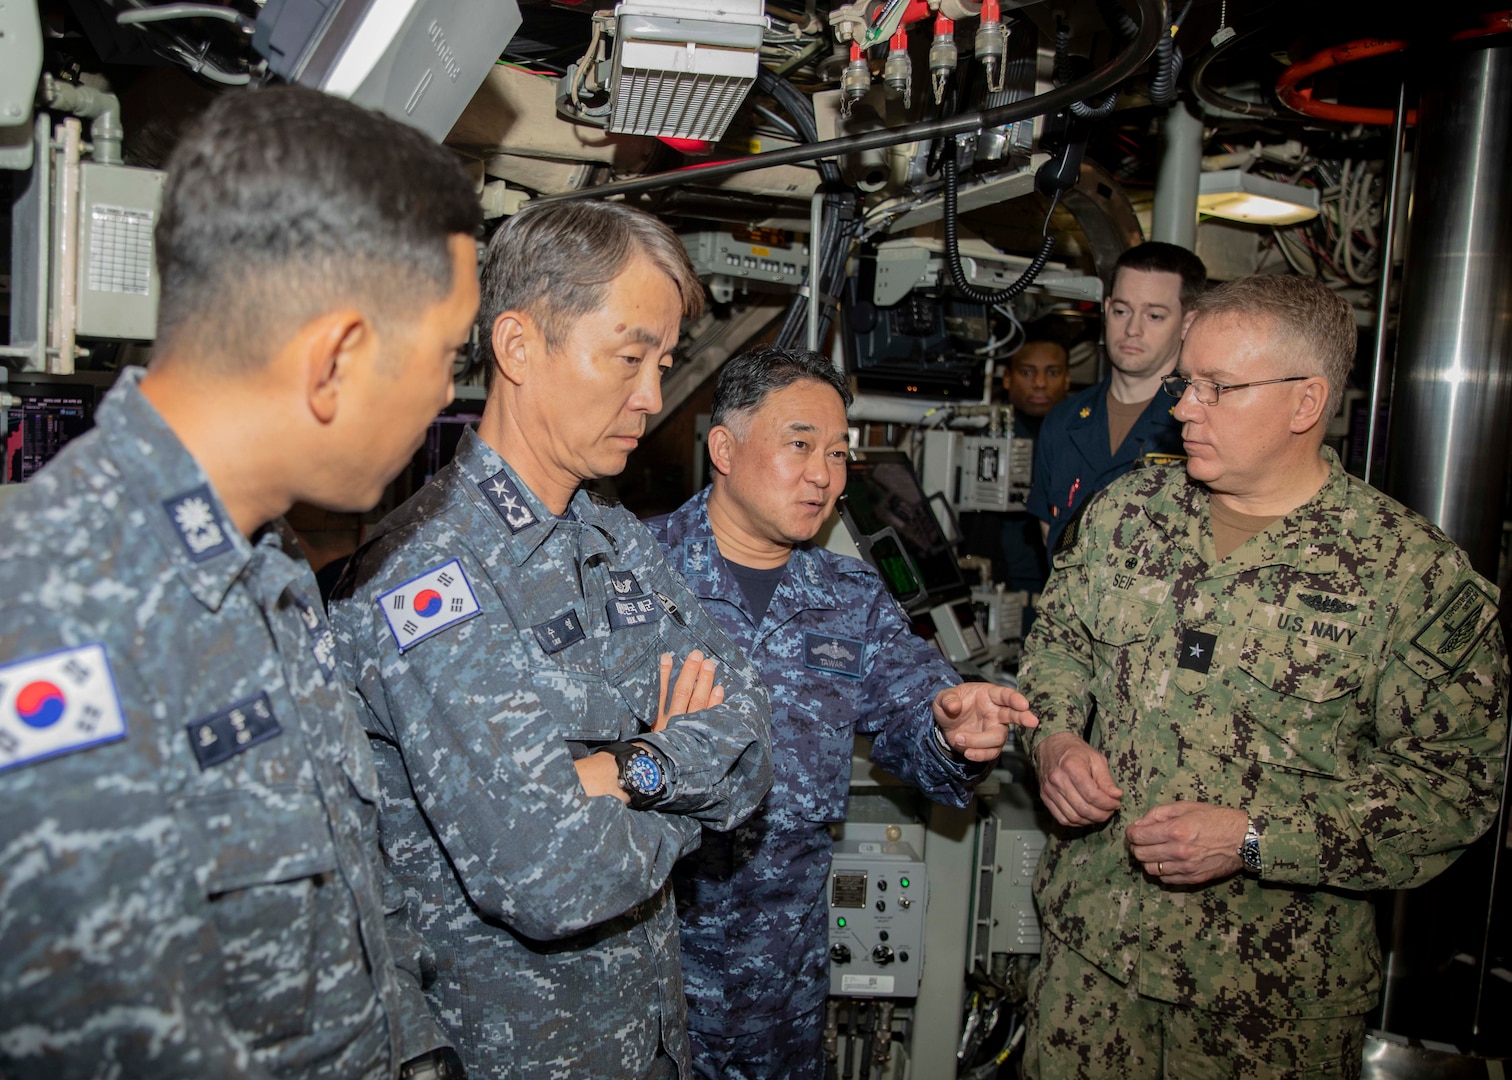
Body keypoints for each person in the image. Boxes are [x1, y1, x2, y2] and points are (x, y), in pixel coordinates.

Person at [0, 86, 481, 1077]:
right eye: (444, 355)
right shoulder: (51, 620)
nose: (447, 392)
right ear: (335, 358)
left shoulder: (263, 569)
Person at [1017, 274, 1508, 1079]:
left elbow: (1450, 793)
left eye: (1217, 388)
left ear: (1304, 402)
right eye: (1185, 382)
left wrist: (1253, 839)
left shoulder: (1408, 578)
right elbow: (1058, 646)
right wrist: (1057, 741)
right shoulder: (1128, 512)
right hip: (1089, 971)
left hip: (1269, 1008)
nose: (1182, 409)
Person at [328, 200, 773, 1080]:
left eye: (663, 364)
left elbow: (754, 733)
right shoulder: (427, 577)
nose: (651, 396)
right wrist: (681, 762)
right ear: (519, 345)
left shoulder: (608, 529)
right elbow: (549, 874)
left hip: (647, 1042)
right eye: (628, 356)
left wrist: (629, 770)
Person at [649, 345, 1039, 1079]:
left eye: (838, 454)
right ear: (724, 449)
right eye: (799, 445)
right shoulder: (631, 575)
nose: (825, 476)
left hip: (782, 980)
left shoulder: (849, 598)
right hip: (652, 965)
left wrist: (953, 729)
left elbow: (915, 711)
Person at [1026, 241, 1206, 551]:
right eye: (1122, 311)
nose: (1132, 329)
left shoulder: (1199, 421)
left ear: (1187, 323)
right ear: (1107, 310)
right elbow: (1049, 535)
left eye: (1154, 316)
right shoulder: (1064, 421)